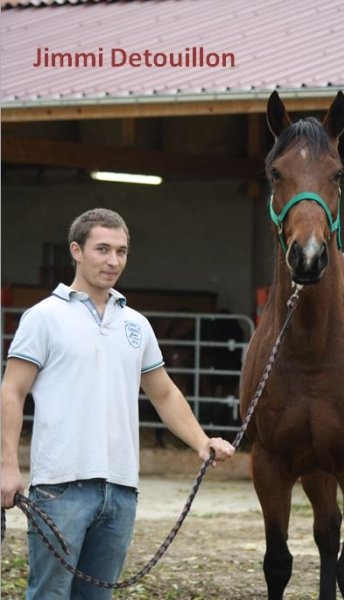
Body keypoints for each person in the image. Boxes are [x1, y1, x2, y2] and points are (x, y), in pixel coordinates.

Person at [1, 208, 235, 599]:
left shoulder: (136, 324)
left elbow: (163, 393)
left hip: (122, 490)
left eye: (121, 251)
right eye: (103, 249)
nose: (113, 261)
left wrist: (201, 441)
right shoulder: (43, 317)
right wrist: (7, 466)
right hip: (60, 487)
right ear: (77, 251)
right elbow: (11, 391)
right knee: (49, 595)